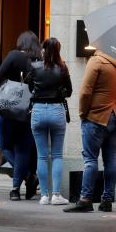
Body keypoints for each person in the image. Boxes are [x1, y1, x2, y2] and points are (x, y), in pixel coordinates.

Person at [64, 50, 116, 213]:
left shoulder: (97, 61)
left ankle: (85, 199)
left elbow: (85, 92)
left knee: (90, 159)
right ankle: (107, 200)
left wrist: (83, 113)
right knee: (110, 158)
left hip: (96, 116)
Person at [0, 31, 42, 202]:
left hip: (9, 106)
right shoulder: (39, 61)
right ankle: (16, 189)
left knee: (3, 145)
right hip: (29, 110)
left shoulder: (14, 55)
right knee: (23, 148)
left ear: (21, 42)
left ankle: (27, 177)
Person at [28, 37, 72, 206]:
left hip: (38, 110)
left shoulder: (35, 67)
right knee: (57, 155)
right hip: (56, 110)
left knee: (42, 155)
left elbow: (30, 88)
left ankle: (44, 196)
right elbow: (69, 91)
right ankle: (56, 195)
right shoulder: (62, 68)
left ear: (44, 50)